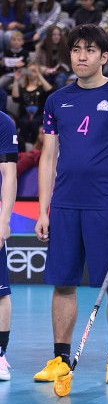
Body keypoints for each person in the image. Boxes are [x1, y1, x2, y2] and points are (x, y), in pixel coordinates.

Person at [32, 23, 108, 385]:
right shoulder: (56, 100)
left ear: (104, 57)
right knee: (62, 283)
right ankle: (60, 358)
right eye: (76, 49)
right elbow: (47, 158)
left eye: (90, 50)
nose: (81, 56)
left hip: (106, 206)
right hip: (64, 206)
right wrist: (42, 209)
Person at [0, 110, 16, 379]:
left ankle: (0, 354)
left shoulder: (3, 123)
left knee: (0, 291)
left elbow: (9, 174)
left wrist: (4, 220)